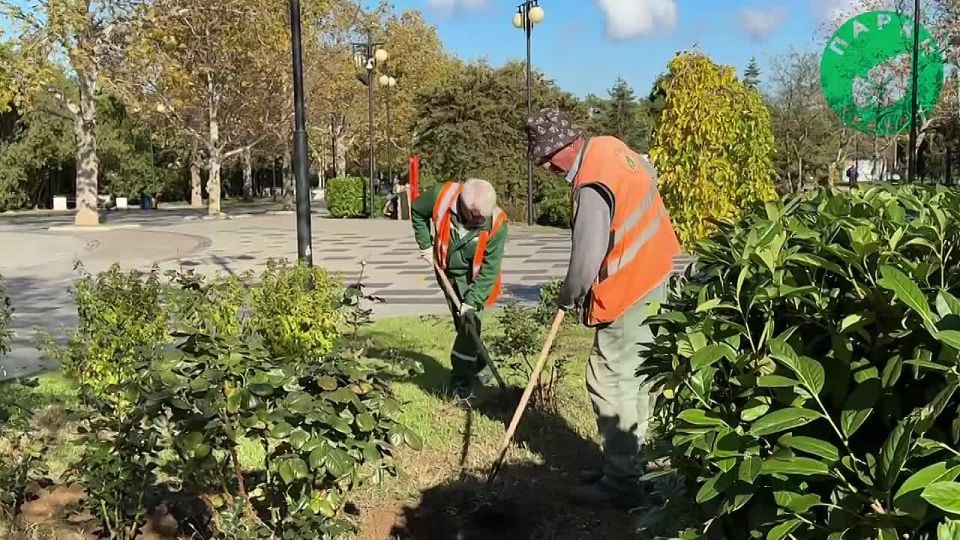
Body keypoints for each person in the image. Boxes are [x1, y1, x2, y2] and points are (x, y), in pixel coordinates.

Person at [526, 108, 681, 507]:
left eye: (546, 158)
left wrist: (569, 294)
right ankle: (634, 466)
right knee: (638, 380)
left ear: (565, 145)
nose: (546, 167)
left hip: (629, 288)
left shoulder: (591, 183)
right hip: (655, 276)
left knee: (610, 381)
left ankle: (621, 483)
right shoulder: (612, 150)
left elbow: (586, 258)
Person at [411, 178, 509, 401]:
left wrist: (472, 301)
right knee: (462, 325)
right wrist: (425, 245)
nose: (479, 222)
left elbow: (489, 270)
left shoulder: (497, 223)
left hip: (476, 281)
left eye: (482, 219)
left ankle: (461, 384)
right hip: (447, 274)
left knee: (468, 325)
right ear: (463, 207)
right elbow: (417, 210)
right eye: (475, 218)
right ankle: (482, 367)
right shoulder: (441, 196)